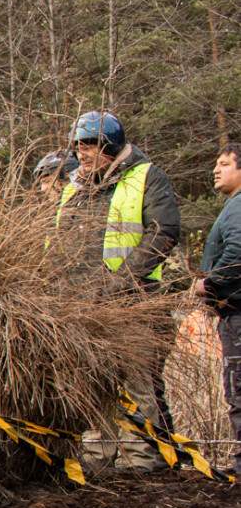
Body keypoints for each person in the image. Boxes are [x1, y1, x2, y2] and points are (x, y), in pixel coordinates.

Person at [54, 111, 180, 472]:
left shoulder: (146, 176)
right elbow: (56, 243)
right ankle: (97, 460)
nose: (81, 153)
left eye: (89, 145)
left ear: (110, 145)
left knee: (140, 384)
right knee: (93, 384)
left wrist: (119, 283)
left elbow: (163, 233)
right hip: (81, 305)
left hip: (133, 302)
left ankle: (145, 461)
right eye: (78, 145)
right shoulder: (74, 189)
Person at [194, 144, 241, 475]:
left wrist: (209, 284)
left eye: (224, 164)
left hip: (237, 314)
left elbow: (238, 252)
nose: (216, 169)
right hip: (232, 313)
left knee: (238, 389)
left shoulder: (238, 207)